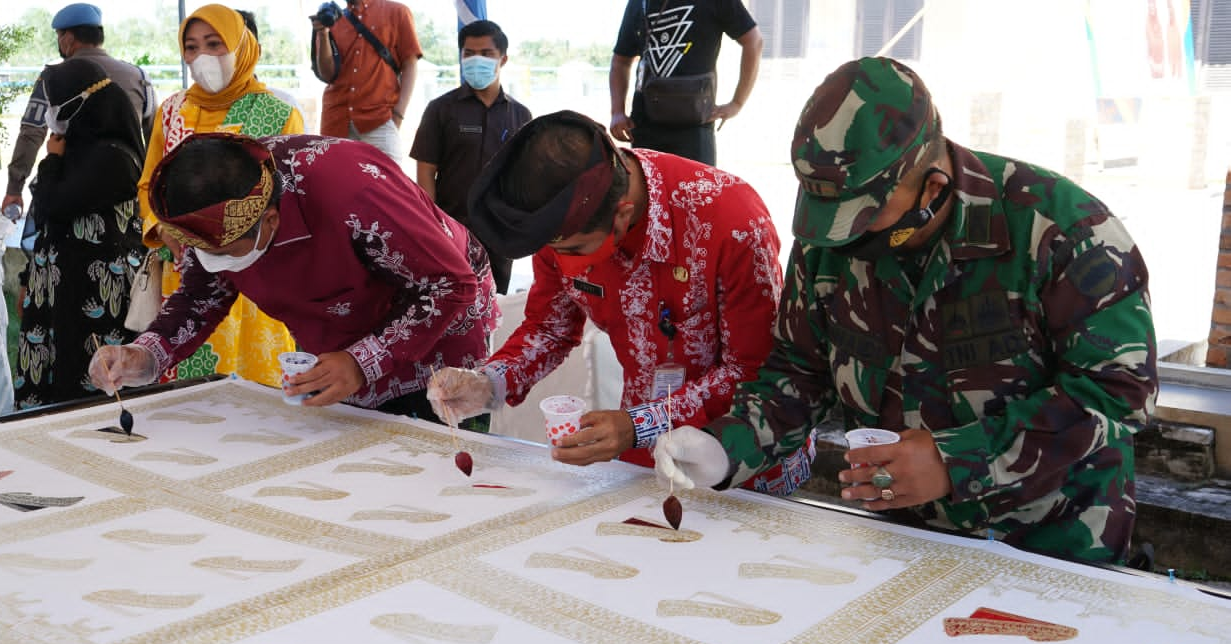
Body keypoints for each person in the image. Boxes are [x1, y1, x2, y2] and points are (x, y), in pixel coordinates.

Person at [654, 57, 1159, 565]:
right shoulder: (831, 239)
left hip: (1055, 542)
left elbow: (1118, 392)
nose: (846, 240)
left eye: (865, 219)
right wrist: (726, 448)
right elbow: (799, 370)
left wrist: (954, 461)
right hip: (906, 541)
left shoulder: (1064, 232)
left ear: (932, 187)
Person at [426, 110, 812, 495]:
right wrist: (489, 382)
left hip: (744, 462)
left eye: (575, 250)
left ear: (622, 216)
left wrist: (639, 424)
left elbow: (754, 369)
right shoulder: (561, 222)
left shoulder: (731, 222)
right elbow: (550, 327)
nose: (562, 260)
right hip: (640, 457)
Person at [89, 132, 498, 421]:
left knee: (433, 471)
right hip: (340, 335)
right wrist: (146, 354)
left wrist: (363, 362)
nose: (212, 265)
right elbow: (200, 295)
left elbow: (450, 283)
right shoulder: (217, 207)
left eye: (225, 255)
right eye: (201, 253)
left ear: (270, 220)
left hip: (439, 322)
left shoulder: (351, 190)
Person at [138, 4, 304, 388]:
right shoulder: (172, 111)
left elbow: (288, 193)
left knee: (256, 380)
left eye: (214, 44)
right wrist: (162, 228)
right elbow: (149, 184)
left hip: (254, 266)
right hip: (185, 269)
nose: (202, 58)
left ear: (241, 46)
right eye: (192, 48)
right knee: (187, 377)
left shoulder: (277, 112)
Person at [15, 57, 145, 409]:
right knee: (51, 381)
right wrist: (30, 276)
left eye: (57, 103)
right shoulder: (75, 148)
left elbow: (54, 205)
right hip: (58, 290)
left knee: (89, 387)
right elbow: (45, 223)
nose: (51, 113)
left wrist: (51, 161)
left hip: (94, 296)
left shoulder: (112, 158)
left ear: (81, 102)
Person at [410, 19, 532, 296]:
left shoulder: (520, 115)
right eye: (469, 53)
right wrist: (431, 224)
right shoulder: (441, 109)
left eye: (486, 53)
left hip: (499, 231)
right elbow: (426, 170)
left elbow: (526, 176)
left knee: (493, 303)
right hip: (452, 229)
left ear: (503, 59)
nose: (476, 60)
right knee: (451, 301)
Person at [1, 2, 156, 219]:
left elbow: (31, 133)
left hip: (72, 195)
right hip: (129, 194)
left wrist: (14, 188)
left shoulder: (53, 79)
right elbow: (155, 140)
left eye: (58, 35)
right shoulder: (139, 77)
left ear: (68, 39)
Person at [608, 0, 763, 167]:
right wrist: (617, 111)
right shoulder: (639, 3)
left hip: (695, 128)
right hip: (645, 125)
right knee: (650, 192)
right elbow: (620, 61)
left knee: (696, 191)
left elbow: (753, 41)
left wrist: (737, 103)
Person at [310, 0, 421, 165]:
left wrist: (398, 115)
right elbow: (327, 75)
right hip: (336, 122)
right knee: (336, 187)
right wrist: (322, 34)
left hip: (379, 119)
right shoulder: (331, 17)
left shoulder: (398, 11)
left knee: (386, 187)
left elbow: (410, 63)